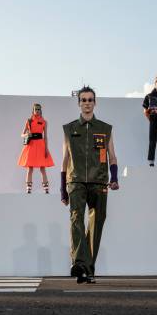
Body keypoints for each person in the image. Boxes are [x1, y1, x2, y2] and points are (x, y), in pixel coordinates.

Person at [60, 86, 119, 284]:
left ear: (95, 102)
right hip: (75, 180)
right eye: (83, 100)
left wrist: (115, 177)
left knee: (97, 223)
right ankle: (78, 263)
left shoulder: (105, 128)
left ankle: (87, 268)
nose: (86, 103)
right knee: (76, 220)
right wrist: (62, 188)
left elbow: (112, 156)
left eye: (90, 99)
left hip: (99, 181)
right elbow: (65, 159)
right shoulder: (69, 129)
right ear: (79, 103)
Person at [18, 103, 54, 193]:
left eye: (38, 109)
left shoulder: (44, 122)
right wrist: (27, 134)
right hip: (31, 145)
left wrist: (46, 148)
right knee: (30, 167)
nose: (37, 111)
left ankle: (46, 189)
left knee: (42, 167)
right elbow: (22, 134)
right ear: (33, 110)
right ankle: (28, 189)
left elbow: (45, 136)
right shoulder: (29, 121)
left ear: (40, 110)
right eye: (35, 109)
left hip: (41, 145)